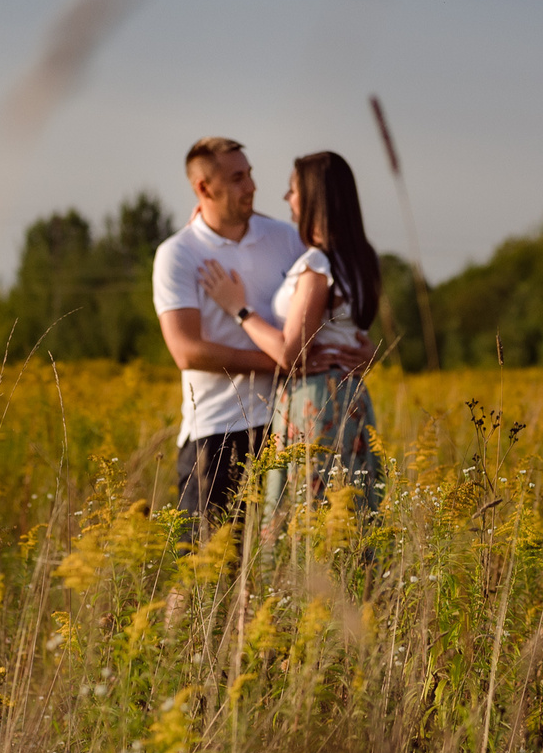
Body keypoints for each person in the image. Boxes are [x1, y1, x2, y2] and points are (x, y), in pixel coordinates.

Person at [153, 137, 365, 536]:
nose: (251, 185)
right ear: (203, 188)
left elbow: (329, 302)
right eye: (237, 178)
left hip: (287, 426)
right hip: (215, 432)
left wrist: (356, 348)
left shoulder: (287, 238)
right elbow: (186, 351)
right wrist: (285, 361)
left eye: (249, 174)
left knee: (281, 564)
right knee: (206, 564)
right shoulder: (179, 253)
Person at [199, 151, 386, 520]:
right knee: (348, 511)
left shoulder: (317, 265)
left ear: (315, 197)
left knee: (311, 517)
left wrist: (239, 309)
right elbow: (353, 335)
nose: (287, 198)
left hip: (316, 401)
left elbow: (291, 354)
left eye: (293, 190)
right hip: (351, 397)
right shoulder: (360, 258)